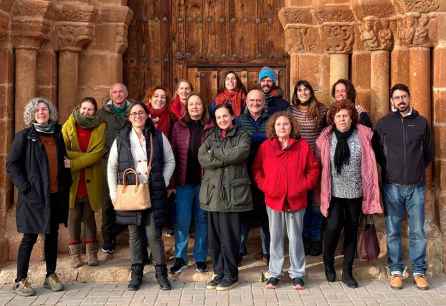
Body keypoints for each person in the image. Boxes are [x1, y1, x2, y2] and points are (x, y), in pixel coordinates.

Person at [107, 102, 176, 291]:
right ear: (129, 118)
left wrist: (163, 180)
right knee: (134, 235)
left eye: (141, 113)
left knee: (154, 234)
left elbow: (170, 160)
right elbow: (112, 166)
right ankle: (136, 273)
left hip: (153, 191)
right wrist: (114, 194)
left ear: (147, 115)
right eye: (134, 113)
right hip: (130, 194)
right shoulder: (121, 138)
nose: (137, 116)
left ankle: (161, 274)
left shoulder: (157, 136)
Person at [7, 97, 72, 296]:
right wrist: (25, 188)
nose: (42, 112)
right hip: (33, 197)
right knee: (30, 237)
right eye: (37, 110)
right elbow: (12, 165)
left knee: (52, 236)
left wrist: (65, 181)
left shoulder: (57, 134)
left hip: (54, 195)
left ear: (50, 112)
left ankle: (50, 275)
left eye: (45, 109)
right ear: (32, 115)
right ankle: (20, 280)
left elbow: (62, 160)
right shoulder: (24, 137)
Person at [316, 100, 382, 288]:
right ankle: (328, 262)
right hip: (334, 193)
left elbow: (374, 159)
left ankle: (347, 271)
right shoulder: (326, 138)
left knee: (352, 231)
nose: (342, 119)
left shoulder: (363, 134)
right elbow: (318, 162)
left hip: (356, 193)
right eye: (338, 116)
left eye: (345, 115)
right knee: (333, 228)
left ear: (352, 117)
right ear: (333, 119)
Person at [374, 84, 433, 290]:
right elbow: (377, 153)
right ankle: (396, 270)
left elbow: (428, 154)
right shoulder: (383, 124)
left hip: (416, 186)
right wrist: (392, 170)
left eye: (404, 97)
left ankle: (419, 271)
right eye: (397, 97)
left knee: (417, 230)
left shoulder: (421, 123)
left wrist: (415, 171)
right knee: (393, 231)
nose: (400, 100)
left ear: (409, 97)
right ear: (392, 101)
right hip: (392, 186)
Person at [252, 112, 320, 290]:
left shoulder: (302, 146)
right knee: (275, 238)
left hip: (296, 200)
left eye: (286, 124)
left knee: (296, 237)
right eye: (279, 124)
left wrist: (302, 186)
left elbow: (313, 169)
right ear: (273, 128)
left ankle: (297, 273)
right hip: (274, 199)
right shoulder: (266, 147)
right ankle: (274, 273)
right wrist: (267, 186)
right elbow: (257, 170)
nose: (282, 127)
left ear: (292, 127)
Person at [198, 104, 252, 291]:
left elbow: (240, 153)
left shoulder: (242, 135)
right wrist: (224, 157)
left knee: (229, 238)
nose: (222, 120)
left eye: (225, 116)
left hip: (232, 196)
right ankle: (219, 272)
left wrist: (216, 155)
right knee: (215, 239)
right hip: (213, 194)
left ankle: (231, 274)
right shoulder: (210, 136)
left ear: (232, 116)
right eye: (219, 117)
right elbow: (202, 157)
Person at [169, 94, 212, 274]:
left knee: (202, 220)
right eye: (192, 104)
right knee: (182, 220)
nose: (195, 107)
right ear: (187, 107)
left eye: (198, 103)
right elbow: (171, 154)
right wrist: (171, 183)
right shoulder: (179, 126)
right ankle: (180, 257)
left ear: (203, 107)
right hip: (183, 182)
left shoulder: (210, 126)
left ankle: (200, 257)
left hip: (204, 182)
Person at [62, 97, 106, 268]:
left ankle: (91, 253)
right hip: (72, 180)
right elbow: (63, 150)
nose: (86, 112)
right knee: (73, 217)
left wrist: (73, 161)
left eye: (90, 109)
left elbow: (98, 153)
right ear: (79, 108)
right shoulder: (69, 124)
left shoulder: (101, 127)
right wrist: (87, 158)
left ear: (95, 111)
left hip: (92, 178)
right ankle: (75, 255)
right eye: (84, 109)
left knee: (89, 217)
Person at [288, 80, 328, 256]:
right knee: (301, 202)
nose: (303, 92)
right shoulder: (290, 111)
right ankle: (302, 238)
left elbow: (329, 131)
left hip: (316, 161)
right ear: (295, 93)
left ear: (311, 92)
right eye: (299, 90)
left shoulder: (321, 110)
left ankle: (315, 237)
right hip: (297, 162)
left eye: (306, 89)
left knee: (316, 203)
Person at [97, 83, 133, 255]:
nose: (118, 95)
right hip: (108, 162)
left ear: (126, 94)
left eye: (121, 92)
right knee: (108, 201)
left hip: (129, 161)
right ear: (110, 95)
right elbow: (93, 131)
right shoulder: (102, 113)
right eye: (115, 92)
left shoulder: (134, 109)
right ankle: (108, 239)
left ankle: (133, 238)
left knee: (131, 198)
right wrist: (103, 151)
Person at [237, 89, 271, 264]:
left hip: (267, 175)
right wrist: (261, 139)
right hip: (244, 175)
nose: (255, 103)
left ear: (264, 102)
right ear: (246, 102)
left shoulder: (272, 120)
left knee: (266, 214)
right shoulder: (238, 121)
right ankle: (240, 250)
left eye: (258, 100)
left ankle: (267, 253)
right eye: (251, 100)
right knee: (243, 214)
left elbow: (275, 140)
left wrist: (252, 139)